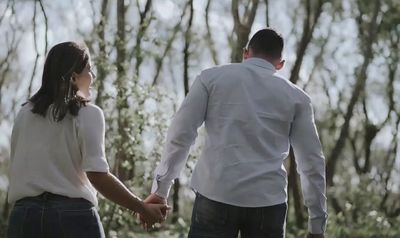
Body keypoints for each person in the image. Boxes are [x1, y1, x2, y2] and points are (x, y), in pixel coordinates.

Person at [143, 28, 328, 238]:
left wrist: (160, 190)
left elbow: (181, 135)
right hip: (268, 203)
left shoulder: (210, 79)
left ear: (245, 53)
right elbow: (312, 162)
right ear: (280, 64)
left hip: (215, 194)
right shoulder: (298, 98)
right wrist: (317, 225)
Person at [7, 42, 168, 238]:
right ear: (74, 77)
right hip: (73, 219)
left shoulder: (24, 114)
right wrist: (141, 207)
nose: (93, 77)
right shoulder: (87, 113)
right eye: (89, 69)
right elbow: (97, 175)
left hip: (23, 218)